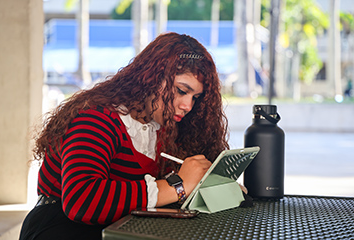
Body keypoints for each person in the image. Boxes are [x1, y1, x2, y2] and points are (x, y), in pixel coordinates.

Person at [19, 32, 231, 240]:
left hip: (121, 229)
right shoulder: (97, 118)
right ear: (151, 77)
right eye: (181, 91)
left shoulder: (164, 126)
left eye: (196, 97)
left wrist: (210, 185)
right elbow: (82, 201)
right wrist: (178, 185)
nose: (187, 106)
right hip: (62, 229)